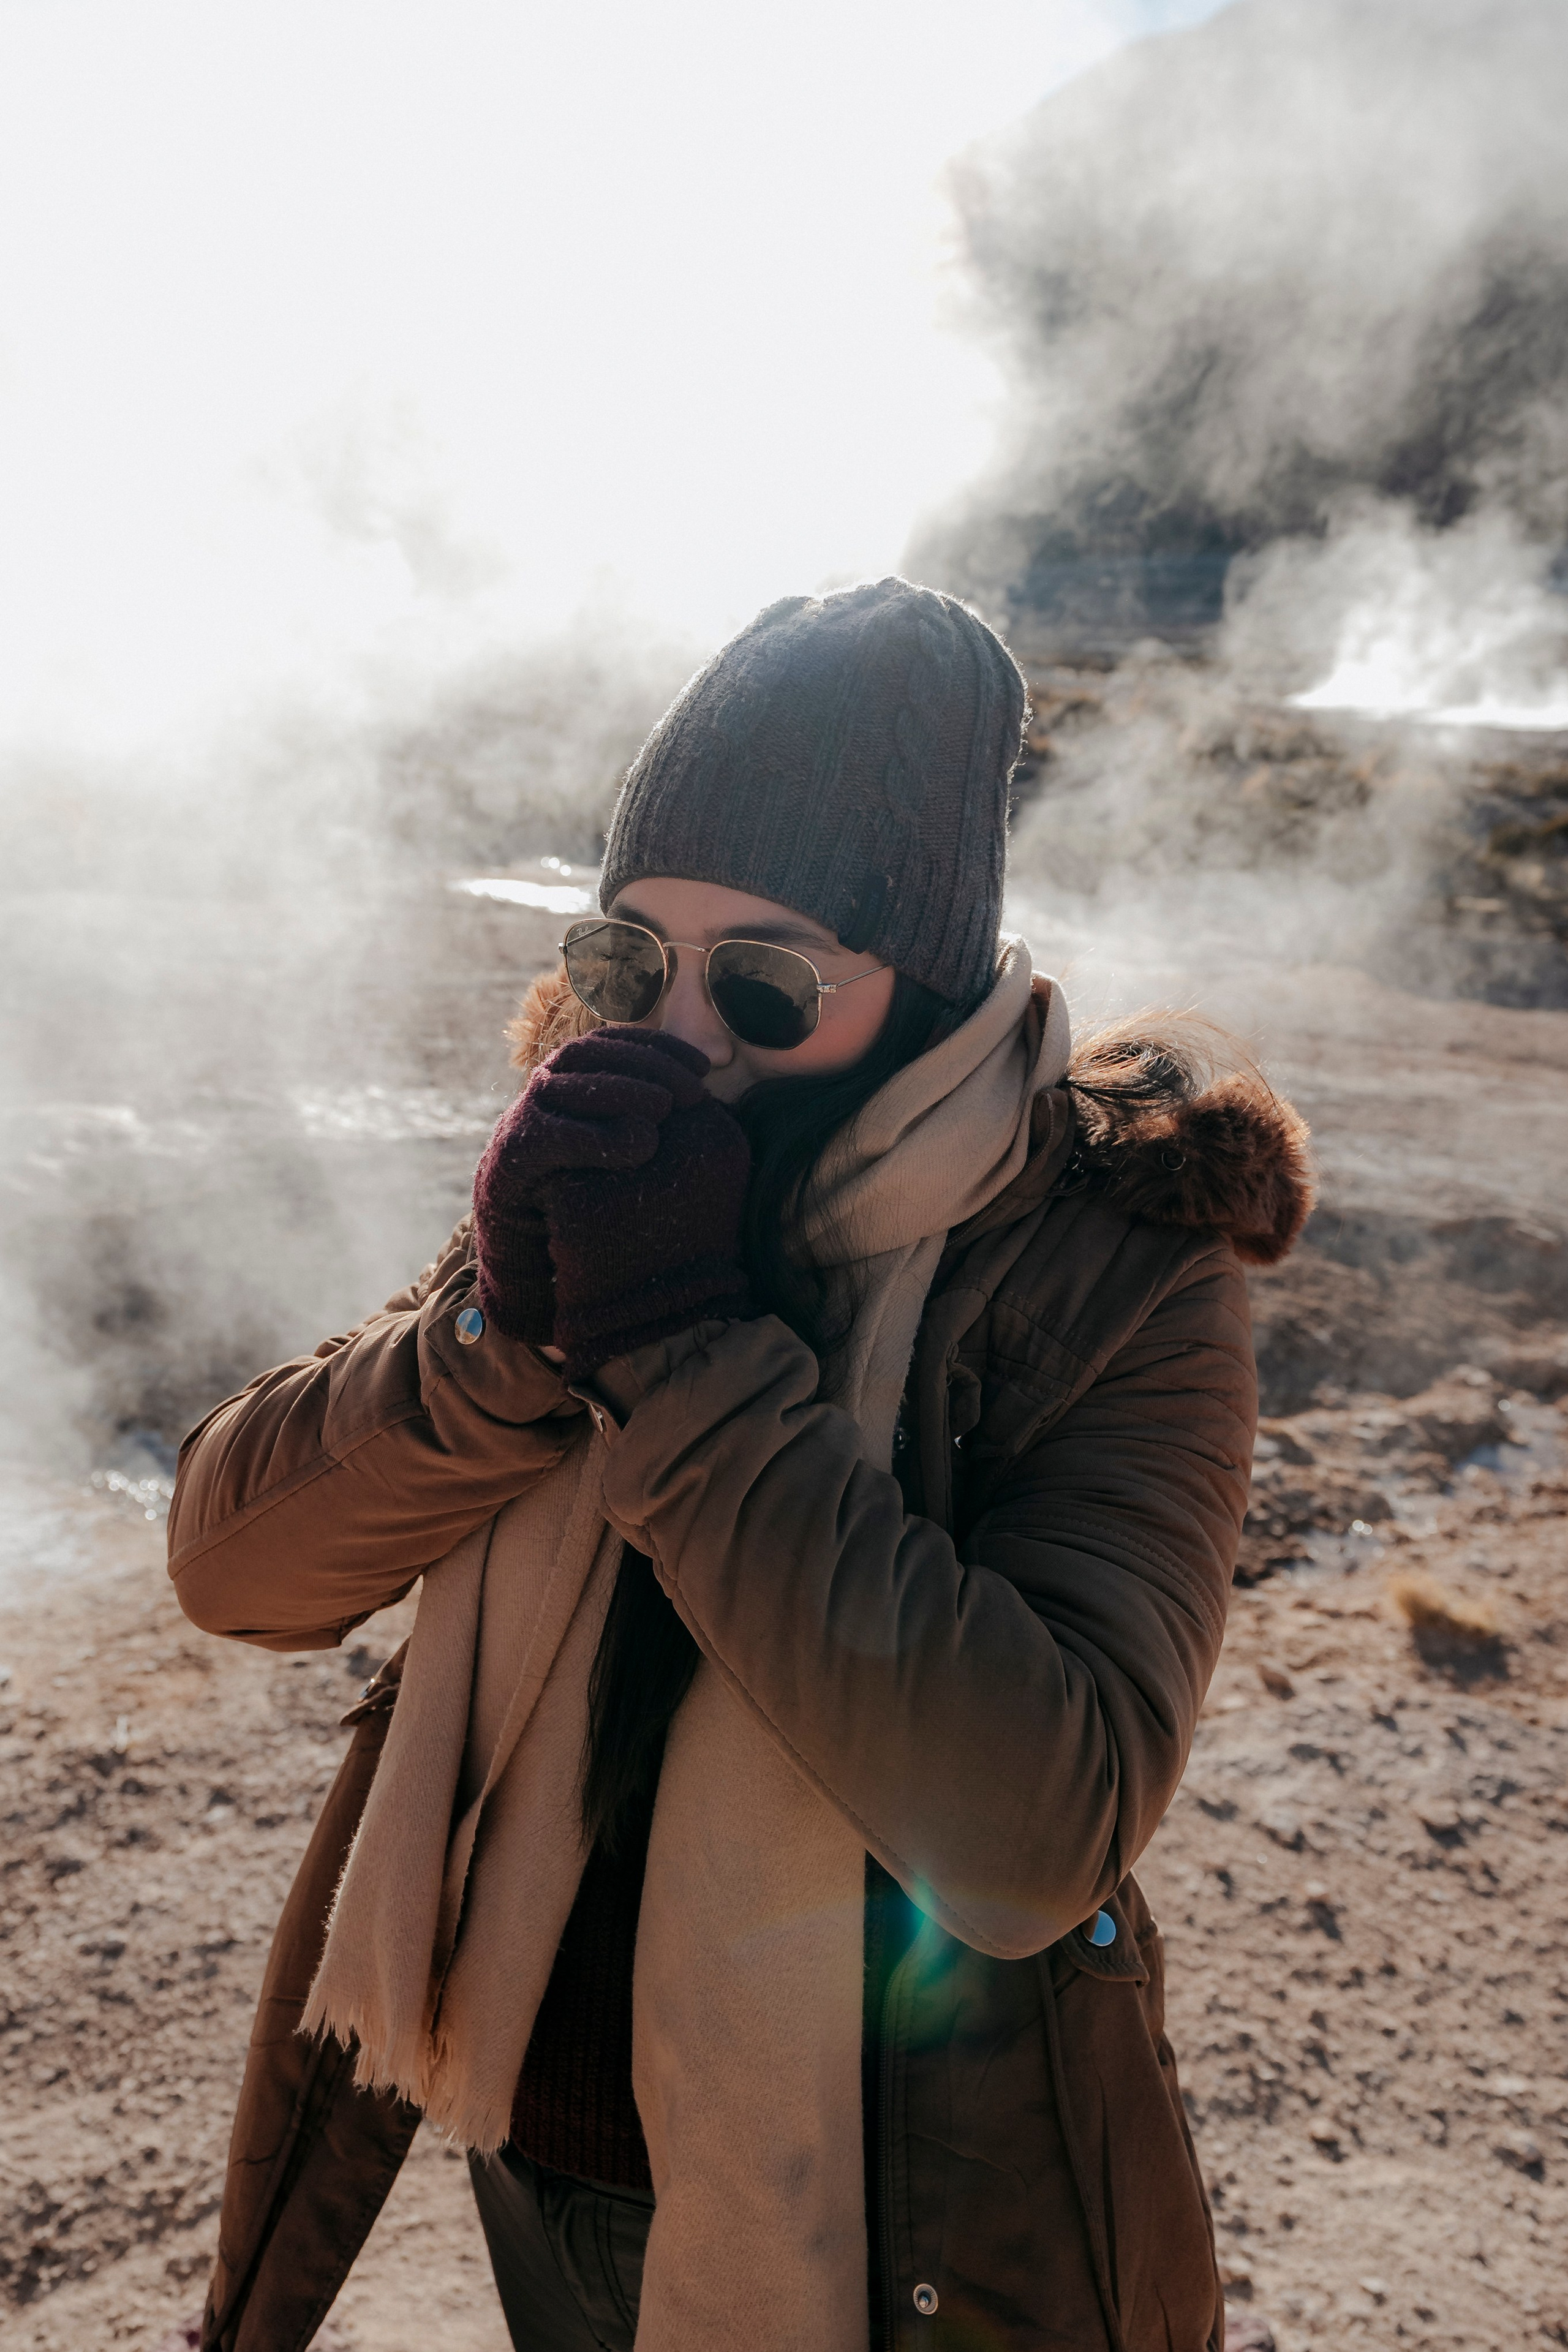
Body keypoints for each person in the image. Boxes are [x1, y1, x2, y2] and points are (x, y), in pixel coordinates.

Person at [168, 579, 1312, 2352]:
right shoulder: (602, 1175)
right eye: (627, 961)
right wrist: (509, 1355)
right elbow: (236, 1568)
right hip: (537, 2165)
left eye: (769, 982)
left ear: (924, 982)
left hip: (896, 2227)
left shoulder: (1115, 1257)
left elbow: (1033, 1833)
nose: (679, 1035)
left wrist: (685, 1354)